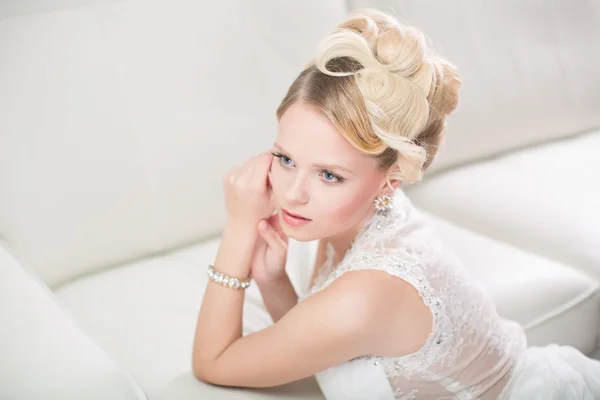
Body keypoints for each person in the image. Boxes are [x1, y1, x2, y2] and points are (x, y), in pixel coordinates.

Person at [191, 8, 600, 399]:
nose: (292, 192)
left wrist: (239, 226)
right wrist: (273, 281)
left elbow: (213, 362)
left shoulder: (366, 293)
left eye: (328, 174)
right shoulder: (358, 216)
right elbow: (318, 347)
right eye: (285, 159)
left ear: (390, 182)